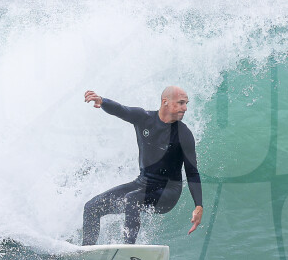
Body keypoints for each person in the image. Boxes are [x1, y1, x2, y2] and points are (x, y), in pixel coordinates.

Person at [80, 86, 203, 245]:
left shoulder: (184, 134)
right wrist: (102, 101)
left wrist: (198, 205)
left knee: (132, 198)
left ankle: (128, 249)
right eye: (181, 103)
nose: (185, 108)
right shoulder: (144, 118)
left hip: (168, 192)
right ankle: (86, 251)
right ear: (165, 102)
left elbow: (192, 172)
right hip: (142, 183)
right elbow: (121, 110)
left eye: (186, 103)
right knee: (91, 207)